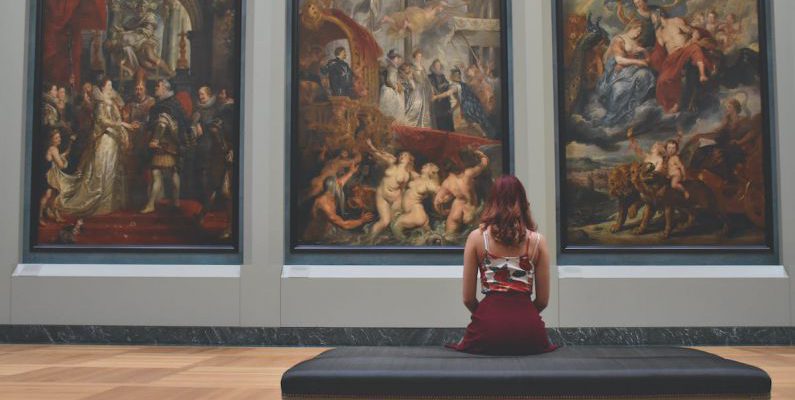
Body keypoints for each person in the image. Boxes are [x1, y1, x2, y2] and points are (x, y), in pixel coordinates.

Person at [447, 175, 557, 355]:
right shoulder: (538, 242)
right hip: (529, 332)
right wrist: (521, 316)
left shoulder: (476, 238)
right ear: (523, 202)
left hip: (486, 329)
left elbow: (468, 299)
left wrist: (487, 317)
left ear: (492, 202)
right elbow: (543, 301)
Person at [54, 77, 135, 217]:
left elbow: (116, 118)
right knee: (102, 169)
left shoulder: (111, 102)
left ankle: (109, 203)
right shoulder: (100, 103)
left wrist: (122, 127)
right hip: (104, 139)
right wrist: (122, 124)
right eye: (108, 86)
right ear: (103, 88)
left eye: (111, 86)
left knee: (111, 169)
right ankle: (99, 202)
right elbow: (101, 121)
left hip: (113, 140)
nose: (110, 88)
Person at [649, 9, 715, 113]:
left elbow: (693, 32)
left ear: (659, 15)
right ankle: (674, 104)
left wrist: (693, 39)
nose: (652, 21)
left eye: (653, 18)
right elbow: (659, 50)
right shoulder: (659, 32)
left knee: (695, 48)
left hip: (684, 49)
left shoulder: (675, 21)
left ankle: (702, 75)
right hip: (672, 58)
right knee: (662, 80)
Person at [596, 19, 656, 126]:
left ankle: (631, 108)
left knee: (645, 75)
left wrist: (643, 51)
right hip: (619, 72)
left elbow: (647, 61)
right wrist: (638, 62)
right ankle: (611, 118)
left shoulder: (637, 42)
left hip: (633, 70)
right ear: (631, 28)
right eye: (637, 30)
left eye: (640, 32)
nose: (638, 34)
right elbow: (619, 60)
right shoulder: (619, 39)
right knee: (619, 90)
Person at [141, 80, 186, 214]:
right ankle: (164, 203)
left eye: (158, 86)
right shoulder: (160, 105)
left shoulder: (170, 105)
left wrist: (155, 140)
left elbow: (168, 124)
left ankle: (170, 202)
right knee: (162, 173)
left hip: (167, 145)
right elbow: (151, 124)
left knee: (170, 173)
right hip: (161, 145)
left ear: (165, 89)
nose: (156, 88)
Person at [366, 139, 416, 239]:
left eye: (405, 155)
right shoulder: (392, 162)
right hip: (382, 194)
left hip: (395, 198)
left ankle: (391, 241)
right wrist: (371, 146)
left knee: (394, 223)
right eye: (401, 154)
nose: (402, 156)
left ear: (409, 159)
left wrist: (402, 203)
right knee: (384, 222)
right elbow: (379, 154)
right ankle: (368, 241)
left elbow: (403, 189)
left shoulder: (408, 173)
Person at [434, 149, 489, 238]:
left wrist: (443, 212)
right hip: (470, 210)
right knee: (480, 236)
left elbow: (437, 202)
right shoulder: (468, 174)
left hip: (456, 210)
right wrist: (481, 155)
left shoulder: (446, 183)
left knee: (449, 237)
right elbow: (484, 163)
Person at [392, 162, 440, 239]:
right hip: (413, 212)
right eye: (425, 164)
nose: (424, 165)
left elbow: (439, 191)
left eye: (427, 165)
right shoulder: (417, 177)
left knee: (396, 226)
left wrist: (440, 200)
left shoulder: (429, 183)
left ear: (432, 171)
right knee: (426, 238)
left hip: (416, 213)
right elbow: (408, 168)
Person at [39, 129, 74, 226]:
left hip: (52, 176)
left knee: (53, 197)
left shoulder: (54, 149)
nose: (59, 139)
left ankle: (57, 216)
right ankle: (39, 217)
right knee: (47, 196)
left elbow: (64, 154)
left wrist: (70, 143)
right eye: (56, 138)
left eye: (59, 137)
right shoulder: (53, 149)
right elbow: (61, 165)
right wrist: (64, 162)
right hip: (48, 176)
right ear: (51, 140)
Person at [379, 49, 405, 122]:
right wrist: (395, 87)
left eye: (397, 58)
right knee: (396, 101)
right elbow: (389, 80)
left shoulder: (393, 67)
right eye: (396, 58)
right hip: (388, 88)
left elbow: (394, 79)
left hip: (390, 87)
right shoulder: (391, 67)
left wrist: (398, 84)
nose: (397, 60)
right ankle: (392, 120)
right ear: (392, 58)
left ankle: (395, 120)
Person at [428, 59, 454, 131]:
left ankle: (448, 132)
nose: (438, 67)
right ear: (433, 66)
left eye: (439, 65)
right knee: (439, 119)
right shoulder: (430, 77)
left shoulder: (442, 76)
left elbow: (447, 85)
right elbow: (430, 87)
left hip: (444, 100)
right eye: (436, 65)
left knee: (447, 116)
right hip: (436, 101)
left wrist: (445, 86)